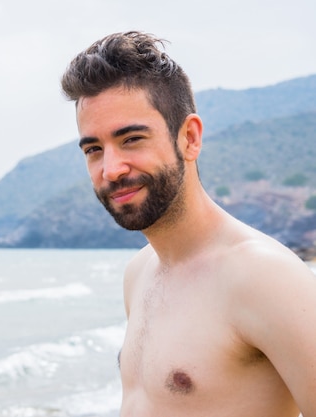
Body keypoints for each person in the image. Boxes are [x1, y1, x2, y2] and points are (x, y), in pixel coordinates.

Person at [60, 31, 316, 417]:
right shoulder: (139, 273)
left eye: (131, 139)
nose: (110, 170)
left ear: (190, 138)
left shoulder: (266, 277)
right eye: (94, 149)